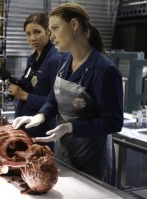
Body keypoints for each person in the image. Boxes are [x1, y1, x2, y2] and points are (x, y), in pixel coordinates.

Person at [12, 2, 123, 186]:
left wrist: (71, 128)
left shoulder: (104, 69)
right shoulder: (66, 61)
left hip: (92, 159)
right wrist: (41, 115)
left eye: (55, 28)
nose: (52, 35)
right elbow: (54, 98)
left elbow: (114, 121)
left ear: (73, 25)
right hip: (65, 153)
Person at [7, 12, 62, 151]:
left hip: (41, 128)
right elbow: (32, 85)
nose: (32, 38)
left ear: (48, 32)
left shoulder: (55, 59)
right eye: (28, 34)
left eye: (37, 32)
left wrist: (25, 96)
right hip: (23, 123)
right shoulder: (31, 58)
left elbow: (57, 102)